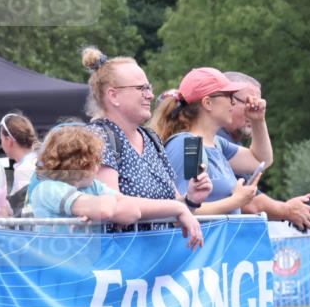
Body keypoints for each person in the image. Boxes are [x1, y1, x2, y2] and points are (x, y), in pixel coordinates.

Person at [80, 47, 213, 221]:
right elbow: (113, 204)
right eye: (141, 88)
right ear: (113, 96)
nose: (150, 95)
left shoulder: (151, 138)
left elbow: (174, 207)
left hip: (159, 247)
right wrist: (176, 207)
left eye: (149, 87)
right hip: (122, 248)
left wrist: (191, 199)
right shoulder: (97, 137)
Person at [30, 124, 202, 248]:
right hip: (57, 269)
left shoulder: (93, 186)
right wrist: (104, 207)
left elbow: (132, 211)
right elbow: (105, 210)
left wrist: (178, 208)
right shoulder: (48, 189)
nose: (98, 166)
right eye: (96, 160)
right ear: (83, 163)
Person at [215, 71, 310, 230]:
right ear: (227, 101)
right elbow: (248, 203)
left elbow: (262, 161)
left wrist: (259, 120)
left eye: (258, 105)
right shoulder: (211, 139)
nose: (253, 111)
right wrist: (287, 210)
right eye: (249, 103)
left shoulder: (225, 143)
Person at [152, 67, 263, 215]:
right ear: (207, 103)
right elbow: (184, 210)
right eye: (229, 96)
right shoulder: (189, 145)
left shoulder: (216, 143)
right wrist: (236, 201)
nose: (233, 103)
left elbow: (259, 159)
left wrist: (258, 121)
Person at [0, 112, 39, 214]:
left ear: (8, 140)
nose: (1, 143)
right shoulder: (37, 160)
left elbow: (26, 210)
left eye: (1, 139)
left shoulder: (24, 169)